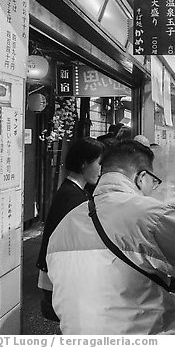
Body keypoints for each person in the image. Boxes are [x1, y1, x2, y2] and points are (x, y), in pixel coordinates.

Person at [46, 139, 175, 334]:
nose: (153, 189)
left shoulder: (65, 224)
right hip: (143, 334)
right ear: (141, 177)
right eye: (154, 182)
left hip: (77, 336)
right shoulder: (149, 214)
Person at [36, 137, 105, 321]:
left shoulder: (75, 191)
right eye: (99, 163)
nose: (101, 169)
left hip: (57, 278)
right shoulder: (72, 197)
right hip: (58, 282)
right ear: (84, 164)